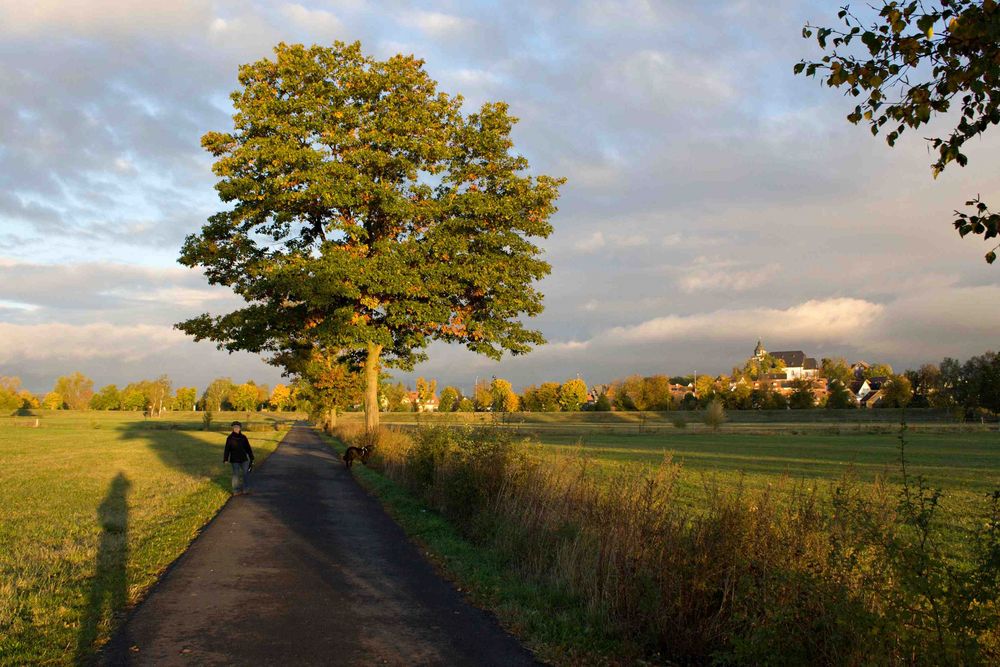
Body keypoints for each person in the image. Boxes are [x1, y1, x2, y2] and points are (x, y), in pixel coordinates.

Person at [223, 421, 254, 495]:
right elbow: (227, 449)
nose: (236, 429)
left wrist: (251, 456)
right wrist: (225, 459)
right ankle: (236, 491)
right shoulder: (230, 438)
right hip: (234, 459)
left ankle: (246, 489)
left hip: (244, 459)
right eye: (234, 427)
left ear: (240, 428)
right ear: (232, 428)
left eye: (237, 427)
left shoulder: (243, 437)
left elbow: (248, 448)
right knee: (235, 474)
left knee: (246, 473)